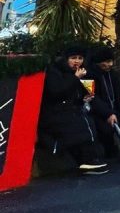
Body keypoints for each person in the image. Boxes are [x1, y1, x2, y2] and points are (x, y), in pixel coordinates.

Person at [37, 45, 108, 174]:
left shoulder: (79, 72)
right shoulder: (55, 71)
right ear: (66, 59)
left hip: (68, 110)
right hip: (52, 113)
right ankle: (85, 160)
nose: (77, 61)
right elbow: (57, 91)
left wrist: (84, 98)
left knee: (87, 121)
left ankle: (90, 159)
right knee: (78, 124)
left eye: (80, 58)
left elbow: (77, 96)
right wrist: (76, 78)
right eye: (73, 58)